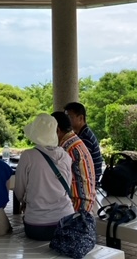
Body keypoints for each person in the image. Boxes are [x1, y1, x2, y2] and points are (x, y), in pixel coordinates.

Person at [14, 113, 74, 241]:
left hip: (37, 226)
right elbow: (67, 187)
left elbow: (19, 191)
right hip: (66, 223)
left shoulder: (28, 156)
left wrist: (25, 201)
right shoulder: (66, 156)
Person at [51, 111, 96, 213]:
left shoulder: (65, 148)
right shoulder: (74, 141)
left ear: (57, 130)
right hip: (87, 200)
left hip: (78, 205)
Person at [64, 102, 103, 179]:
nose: (67, 121)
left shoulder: (85, 138)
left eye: (70, 117)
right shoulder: (81, 133)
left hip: (90, 180)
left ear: (81, 118)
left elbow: (80, 163)